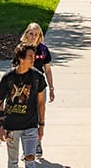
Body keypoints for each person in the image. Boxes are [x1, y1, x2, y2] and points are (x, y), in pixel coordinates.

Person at [0, 43, 48, 168]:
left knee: (30, 160)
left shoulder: (37, 77)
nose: (33, 58)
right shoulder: (8, 77)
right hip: (11, 127)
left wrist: (42, 125)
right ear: (21, 58)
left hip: (30, 126)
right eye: (30, 56)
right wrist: (0, 126)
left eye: (34, 56)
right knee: (13, 163)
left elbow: (41, 103)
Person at [19, 23, 55, 158]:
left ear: (40, 36)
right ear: (26, 34)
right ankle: (27, 149)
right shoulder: (20, 50)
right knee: (24, 116)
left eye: (36, 34)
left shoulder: (43, 50)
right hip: (23, 89)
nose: (33, 37)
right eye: (31, 34)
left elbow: (48, 70)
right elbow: (14, 69)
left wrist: (51, 88)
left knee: (39, 115)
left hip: (40, 88)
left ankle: (38, 143)